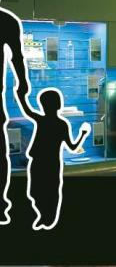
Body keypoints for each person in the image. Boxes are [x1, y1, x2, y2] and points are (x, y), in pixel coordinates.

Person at [17, 89, 90, 231]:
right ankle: (44, 216)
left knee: (48, 190)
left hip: (48, 162)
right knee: (36, 191)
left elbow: (72, 147)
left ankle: (48, 218)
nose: (43, 106)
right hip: (40, 162)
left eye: (44, 103)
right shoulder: (47, 121)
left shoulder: (55, 123)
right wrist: (83, 134)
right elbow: (73, 147)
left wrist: (83, 134)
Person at [0, 0, 31, 226]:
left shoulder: (7, 21)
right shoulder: (7, 20)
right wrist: (22, 85)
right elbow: (18, 59)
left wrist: (22, 85)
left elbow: (18, 59)